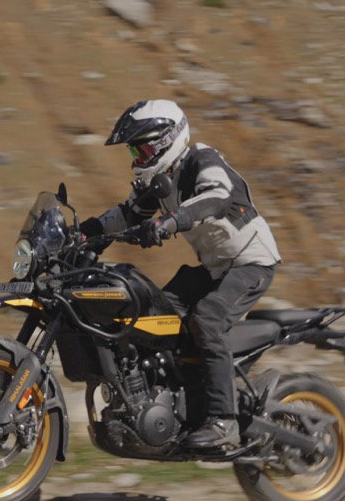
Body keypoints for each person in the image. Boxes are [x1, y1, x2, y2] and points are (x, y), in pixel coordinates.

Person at [79, 100, 281, 448]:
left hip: (251, 263)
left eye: (141, 149)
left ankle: (224, 421)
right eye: (134, 150)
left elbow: (216, 197)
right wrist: (82, 235)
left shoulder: (203, 160)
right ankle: (180, 403)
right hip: (216, 268)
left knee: (207, 319)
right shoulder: (161, 181)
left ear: (166, 141)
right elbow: (126, 215)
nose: (137, 157)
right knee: (154, 315)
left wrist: (170, 222)